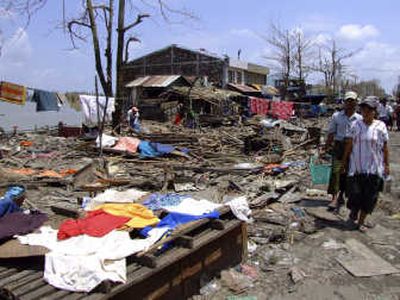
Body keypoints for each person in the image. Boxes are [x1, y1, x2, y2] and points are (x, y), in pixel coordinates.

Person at [342, 98, 390, 233]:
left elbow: (385, 147)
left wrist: (386, 165)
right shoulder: (355, 125)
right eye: (363, 109)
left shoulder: (381, 126)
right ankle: (354, 212)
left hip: (374, 169)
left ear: (375, 111)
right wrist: (344, 162)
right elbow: (349, 145)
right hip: (357, 168)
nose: (366, 112)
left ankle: (361, 221)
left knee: (370, 197)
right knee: (355, 194)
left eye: (369, 110)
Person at [325, 91, 362, 211]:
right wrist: (326, 146)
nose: (350, 103)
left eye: (352, 101)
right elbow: (331, 133)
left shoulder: (360, 119)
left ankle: (342, 194)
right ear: (344, 102)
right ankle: (334, 197)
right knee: (336, 171)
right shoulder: (336, 116)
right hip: (339, 146)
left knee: (348, 173)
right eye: (348, 101)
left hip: (353, 147)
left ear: (356, 102)